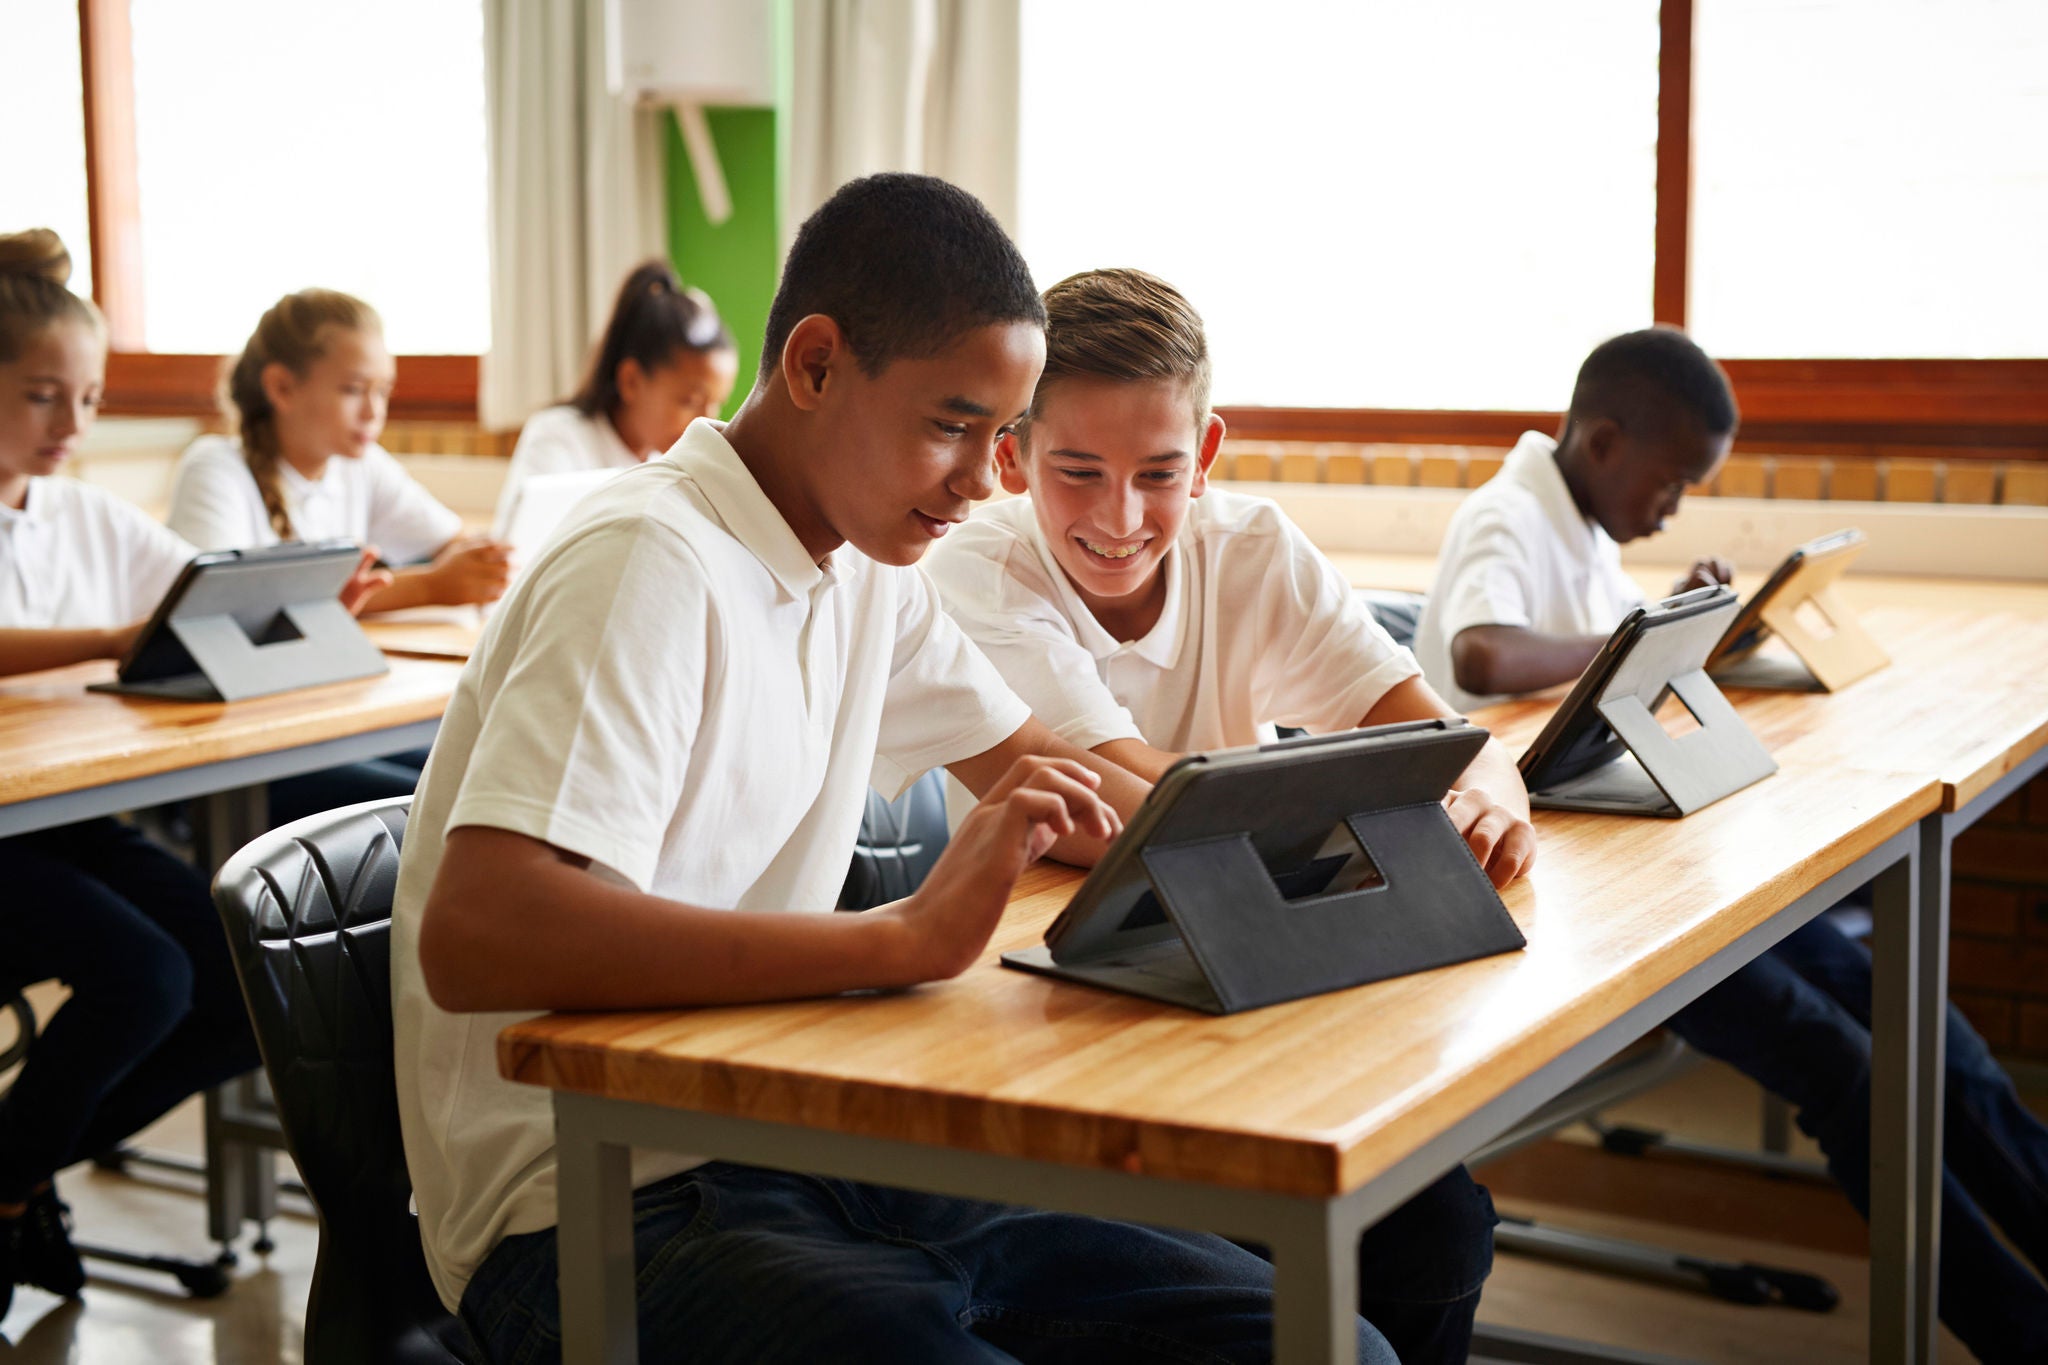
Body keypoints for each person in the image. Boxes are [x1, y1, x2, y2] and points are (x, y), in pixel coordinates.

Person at [393, 175, 1398, 1364]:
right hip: (592, 1200)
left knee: (1319, 1343)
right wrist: (897, 944)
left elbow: (1057, 783)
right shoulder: (649, 561)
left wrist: (1299, 870)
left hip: (796, 1126)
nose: (984, 483)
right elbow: (481, 932)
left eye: (1000, 439)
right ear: (815, 366)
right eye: (953, 426)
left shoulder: (865, 569)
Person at [926, 266, 1533, 1362]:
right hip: (1048, 1019)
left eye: (1159, 474)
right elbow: (1129, 809)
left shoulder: (1250, 545)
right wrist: (1388, 793)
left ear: (1204, 456)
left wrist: (1482, 792)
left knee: (1440, 1227)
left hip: (1235, 979)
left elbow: (1440, 741)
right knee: (1314, 1279)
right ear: (1014, 456)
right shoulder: (979, 568)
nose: (1119, 519)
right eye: (1077, 473)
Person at [1416, 325, 2048, 1363]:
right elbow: (1482, 655)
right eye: (1670, 483)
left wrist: (1690, 628)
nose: (1673, 509)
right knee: (1848, 1068)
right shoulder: (1506, 513)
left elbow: (1596, 686)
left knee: (1918, 1027)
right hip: (1587, 909)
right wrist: (1641, 630)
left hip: (1649, 862)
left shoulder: (1582, 527)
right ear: (1604, 441)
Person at [0, 229, 260, 1320]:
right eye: (43, 396)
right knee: (149, 977)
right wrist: (110, 636)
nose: (75, 426)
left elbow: (208, 590)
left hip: (57, 817)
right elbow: (132, 624)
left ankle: (13, 1171)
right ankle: (16, 1175)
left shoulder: (73, 510)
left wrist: (323, 598)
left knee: (249, 983)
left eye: (92, 398)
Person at [491, 261, 739, 537]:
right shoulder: (559, 437)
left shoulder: (677, 460)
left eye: (717, 403)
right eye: (690, 401)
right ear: (631, 381)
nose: (707, 420)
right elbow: (516, 551)